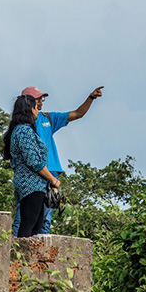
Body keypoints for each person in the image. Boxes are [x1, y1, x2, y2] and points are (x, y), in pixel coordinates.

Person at [11, 85, 103, 235]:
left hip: (51, 170)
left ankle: (42, 253)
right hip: (34, 174)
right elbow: (31, 159)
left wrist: (91, 98)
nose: (41, 101)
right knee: (24, 216)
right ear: (28, 102)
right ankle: (16, 250)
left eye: (42, 98)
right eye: (38, 98)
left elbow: (77, 113)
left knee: (45, 217)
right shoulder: (23, 126)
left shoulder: (47, 118)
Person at [4, 94, 61, 237]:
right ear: (30, 109)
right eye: (36, 107)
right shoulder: (24, 131)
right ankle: (19, 258)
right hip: (30, 184)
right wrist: (53, 180)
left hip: (34, 184)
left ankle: (28, 258)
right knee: (28, 226)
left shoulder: (23, 130)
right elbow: (34, 161)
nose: (38, 111)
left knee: (37, 225)